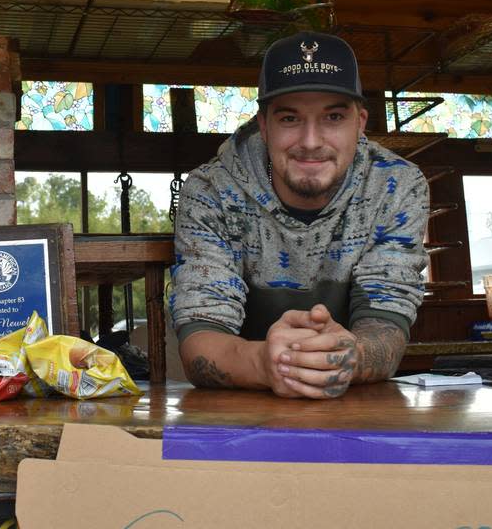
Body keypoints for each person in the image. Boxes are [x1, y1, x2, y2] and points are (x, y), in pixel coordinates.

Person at [169, 32, 430, 398]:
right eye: (290, 118)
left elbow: (386, 324)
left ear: (360, 122)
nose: (310, 141)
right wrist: (265, 363)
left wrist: (346, 356)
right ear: (264, 125)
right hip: (243, 412)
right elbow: (200, 339)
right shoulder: (211, 191)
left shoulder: (397, 186)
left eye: (334, 116)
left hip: (355, 412)